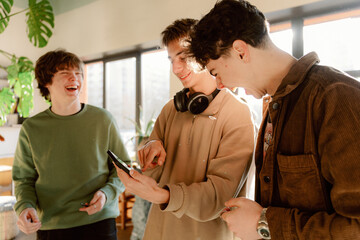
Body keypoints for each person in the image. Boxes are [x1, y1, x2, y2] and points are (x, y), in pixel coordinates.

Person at [188, 0, 360, 239]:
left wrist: (265, 223)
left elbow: (356, 226)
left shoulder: (336, 97)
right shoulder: (272, 107)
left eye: (216, 72)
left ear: (240, 50)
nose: (220, 85)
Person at [115, 18, 255, 240]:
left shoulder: (237, 114)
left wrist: (163, 196)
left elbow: (220, 195)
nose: (176, 68)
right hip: (159, 232)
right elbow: (152, 173)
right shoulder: (171, 109)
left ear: (205, 52)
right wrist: (149, 148)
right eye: (171, 59)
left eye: (184, 56)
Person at [12, 49, 130, 240]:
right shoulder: (31, 128)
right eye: (65, 73)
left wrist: (107, 193)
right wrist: (25, 206)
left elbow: (122, 168)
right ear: (46, 82)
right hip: (53, 226)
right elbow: (24, 179)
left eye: (78, 74)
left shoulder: (103, 119)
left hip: (99, 222)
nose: (74, 78)